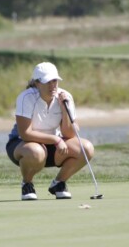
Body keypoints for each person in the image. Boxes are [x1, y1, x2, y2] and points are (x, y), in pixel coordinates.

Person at [6, 62, 94, 200]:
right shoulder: (26, 98)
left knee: (86, 148)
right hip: (23, 145)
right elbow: (25, 133)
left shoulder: (65, 97)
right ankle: (27, 184)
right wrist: (56, 140)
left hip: (53, 146)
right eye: (48, 82)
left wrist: (64, 109)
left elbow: (69, 134)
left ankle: (58, 183)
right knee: (36, 152)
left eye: (55, 81)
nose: (52, 85)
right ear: (37, 83)